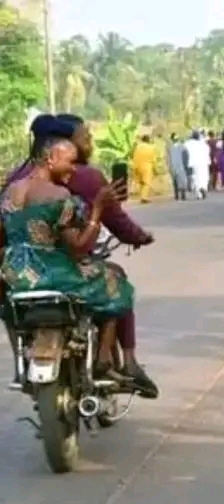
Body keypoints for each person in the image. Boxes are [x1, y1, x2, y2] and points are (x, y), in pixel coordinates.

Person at [1, 137, 132, 382]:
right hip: (51, 273)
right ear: (51, 159)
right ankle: (104, 358)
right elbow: (79, 249)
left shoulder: (11, 191)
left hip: (16, 273)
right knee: (114, 278)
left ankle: (23, 362)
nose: (74, 169)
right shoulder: (59, 195)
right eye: (70, 162)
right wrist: (97, 210)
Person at [53, 113, 159, 397]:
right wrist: (138, 236)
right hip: (68, 263)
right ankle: (125, 361)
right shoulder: (83, 177)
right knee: (116, 281)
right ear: (63, 147)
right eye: (84, 137)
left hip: (26, 271)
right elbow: (113, 222)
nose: (89, 142)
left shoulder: (18, 180)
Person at [184, 131, 210, 199]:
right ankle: (203, 188)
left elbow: (184, 150)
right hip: (203, 162)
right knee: (204, 177)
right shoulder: (203, 144)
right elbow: (207, 151)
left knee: (195, 178)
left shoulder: (188, 143)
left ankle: (199, 193)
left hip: (194, 163)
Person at [131, 134, 156, 204]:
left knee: (141, 182)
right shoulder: (151, 148)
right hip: (147, 167)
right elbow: (153, 160)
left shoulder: (137, 147)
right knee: (147, 183)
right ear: (148, 140)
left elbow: (133, 157)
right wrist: (155, 168)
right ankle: (144, 197)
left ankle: (142, 196)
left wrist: (134, 167)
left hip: (137, 166)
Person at [166, 133, 189, 201]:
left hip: (173, 166)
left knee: (175, 181)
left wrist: (168, 166)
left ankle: (176, 195)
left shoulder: (169, 147)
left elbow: (167, 158)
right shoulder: (182, 147)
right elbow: (186, 156)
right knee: (182, 180)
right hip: (180, 165)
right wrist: (186, 165)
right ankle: (183, 195)